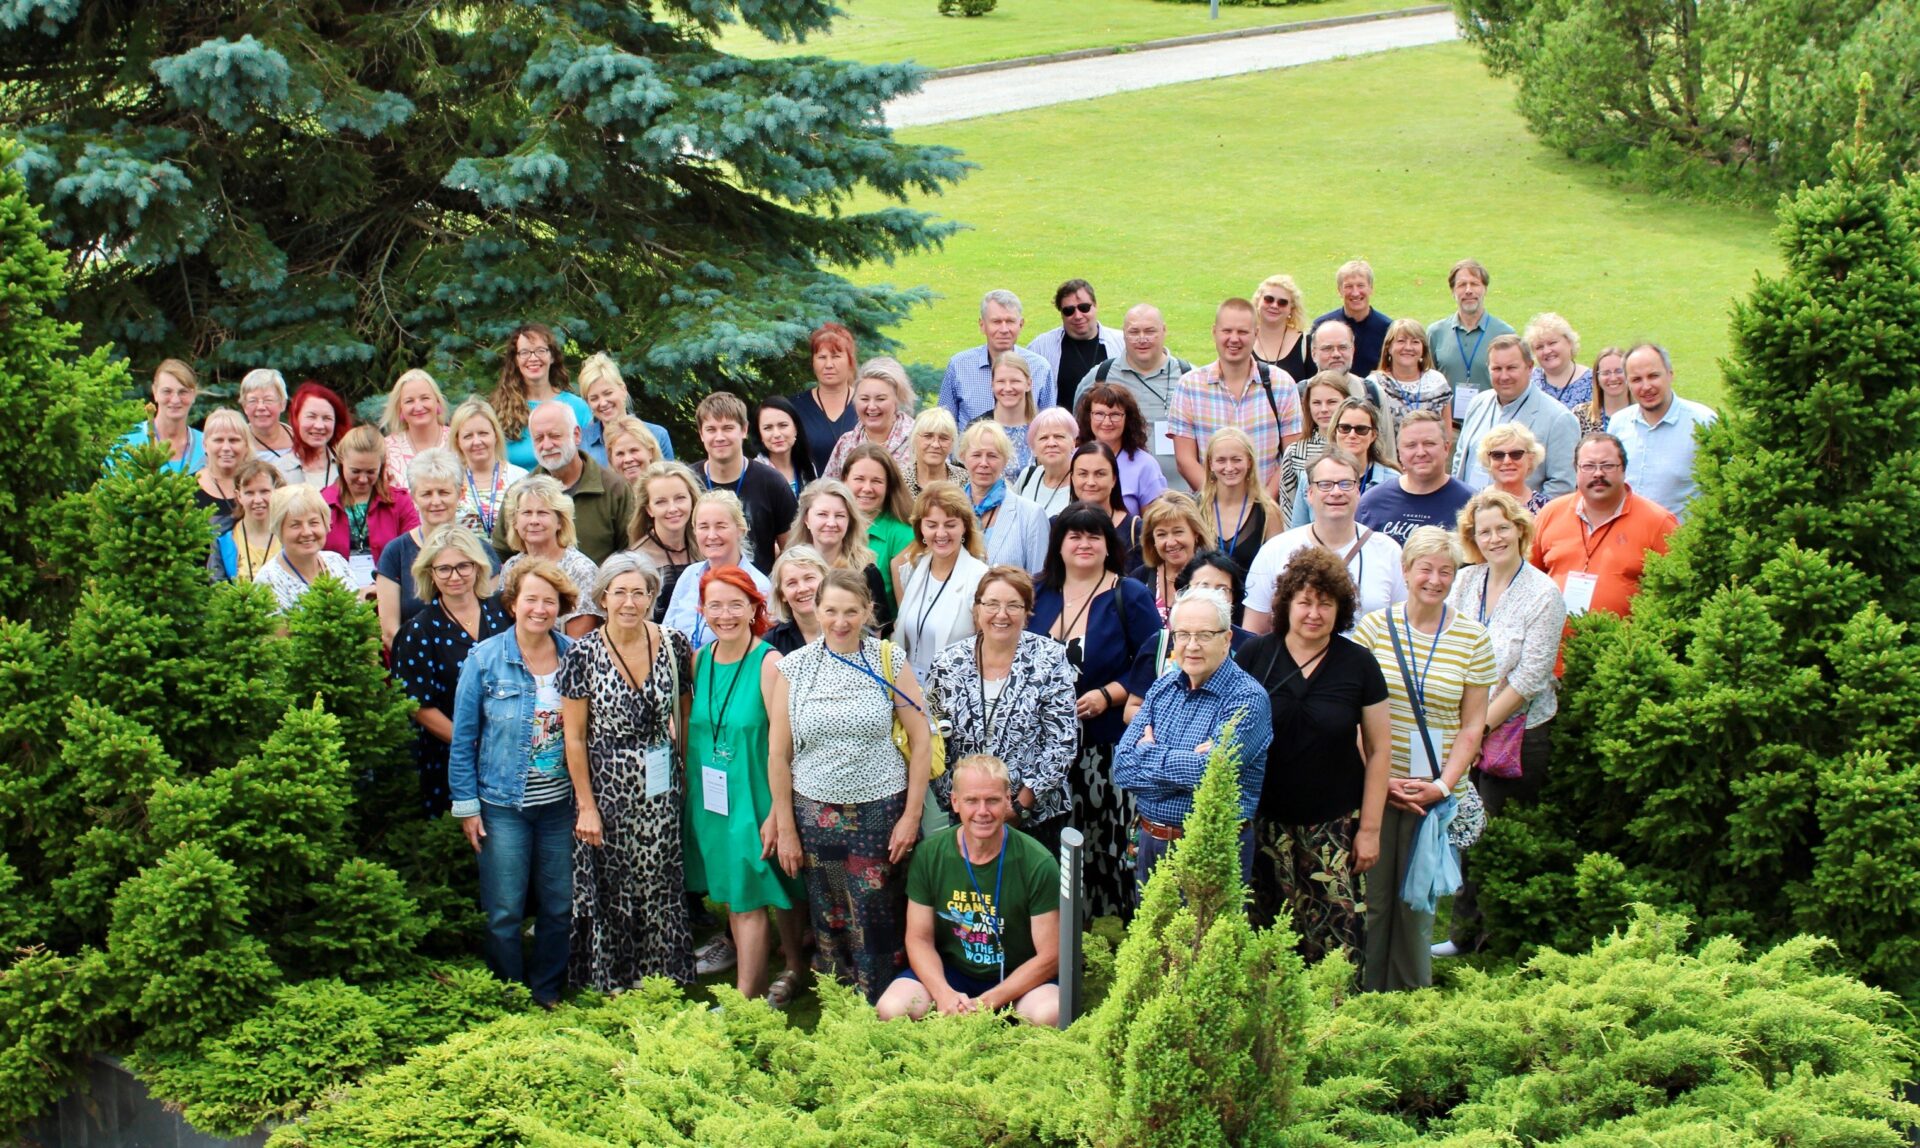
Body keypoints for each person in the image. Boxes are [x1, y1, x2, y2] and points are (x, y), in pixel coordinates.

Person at [767, 569, 931, 1001]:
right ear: (816, 610)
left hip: (880, 811)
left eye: (851, 611)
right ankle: (838, 1007)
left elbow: (921, 737)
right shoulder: (794, 668)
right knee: (829, 914)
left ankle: (885, 1004)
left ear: (867, 612)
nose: (841, 621)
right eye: (831, 611)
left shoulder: (887, 659)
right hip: (815, 813)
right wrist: (785, 827)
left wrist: (911, 817)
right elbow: (778, 755)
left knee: (877, 915)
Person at [1350, 527, 1495, 992]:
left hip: (1433, 787)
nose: (1434, 579)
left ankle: (1411, 995)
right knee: (1372, 894)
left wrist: (1444, 785)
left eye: (1445, 571)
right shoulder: (1373, 629)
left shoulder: (1473, 639)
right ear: (1406, 571)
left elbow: (1473, 723)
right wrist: (1375, 778)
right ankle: (1364, 992)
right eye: (1425, 569)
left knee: (1420, 900)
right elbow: (1352, 713)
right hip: (1378, 781)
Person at [1236, 546, 1389, 966]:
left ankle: (1336, 1026)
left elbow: (1378, 750)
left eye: (1326, 603)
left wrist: (1370, 830)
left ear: (1340, 608)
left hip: (1333, 825)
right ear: (1287, 603)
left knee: (1336, 942)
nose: (1314, 613)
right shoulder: (1255, 656)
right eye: (1305, 601)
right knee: (1264, 939)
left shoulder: (1358, 665)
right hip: (1262, 821)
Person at [1434, 489, 1565, 958]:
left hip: (1516, 732)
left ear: (1520, 530)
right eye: (1483, 531)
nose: (1494, 538)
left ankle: (1494, 937)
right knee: (1467, 827)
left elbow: (1531, 676)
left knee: (1495, 830)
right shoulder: (1467, 582)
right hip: (1466, 725)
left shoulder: (1544, 593)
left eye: (1502, 528)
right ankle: (1463, 932)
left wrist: (1478, 728)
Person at [558, 552, 695, 991]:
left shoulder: (675, 644)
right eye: (620, 592)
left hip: (661, 782)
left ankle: (661, 977)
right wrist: (586, 806)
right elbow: (574, 737)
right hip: (606, 784)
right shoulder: (581, 654)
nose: (630, 602)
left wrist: (684, 774)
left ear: (653, 596)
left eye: (640, 592)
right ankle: (614, 979)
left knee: (659, 879)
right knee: (613, 884)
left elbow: (686, 716)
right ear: (602, 597)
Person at [448, 557, 579, 1007]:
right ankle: (508, 992)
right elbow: (463, 737)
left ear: (560, 606)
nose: (540, 609)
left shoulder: (573, 657)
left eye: (550, 601)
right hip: (502, 806)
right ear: (512, 603)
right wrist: (466, 806)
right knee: (504, 910)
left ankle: (547, 989)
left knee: (560, 905)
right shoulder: (484, 660)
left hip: (560, 805)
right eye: (531, 600)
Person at [1028, 502, 1163, 919]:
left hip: (1104, 748)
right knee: (1053, 845)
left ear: (1109, 545)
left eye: (1094, 536)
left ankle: (1109, 931)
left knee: (1106, 846)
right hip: (1044, 749)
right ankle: (1059, 937)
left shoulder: (1130, 594)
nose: (1084, 544)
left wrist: (1109, 694)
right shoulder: (1037, 592)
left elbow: (1154, 660)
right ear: (1058, 545)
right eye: (1075, 536)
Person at [684, 564, 809, 1005]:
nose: (725, 614)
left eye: (736, 604)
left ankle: (752, 994)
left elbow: (786, 744)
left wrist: (779, 811)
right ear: (702, 610)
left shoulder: (770, 663)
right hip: (714, 796)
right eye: (714, 605)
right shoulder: (700, 661)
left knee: (760, 890)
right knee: (737, 892)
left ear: (754, 606)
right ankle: (771, 976)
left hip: (757, 793)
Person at [874, 754, 1063, 1025]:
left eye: (993, 800)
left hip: (1017, 979)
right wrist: (943, 994)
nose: (982, 811)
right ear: (955, 802)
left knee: (1049, 1012)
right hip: (951, 973)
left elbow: (1049, 956)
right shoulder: (930, 855)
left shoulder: (1038, 862)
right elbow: (919, 939)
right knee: (891, 1008)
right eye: (972, 800)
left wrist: (990, 1000)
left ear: (1008, 800)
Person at [1114, 586, 1273, 886]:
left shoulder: (1248, 699)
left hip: (1211, 850)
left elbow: (1212, 773)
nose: (1192, 645)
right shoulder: (1162, 688)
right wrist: (1187, 764)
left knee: (1207, 934)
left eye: (1204, 635)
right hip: (1150, 844)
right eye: (1183, 634)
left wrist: (1148, 752)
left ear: (1227, 640)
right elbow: (1122, 768)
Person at [926, 570, 1078, 852]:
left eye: (1014, 605)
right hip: (966, 815)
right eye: (992, 604)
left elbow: (1062, 741)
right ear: (977, 608)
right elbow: (934, 738)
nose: (1001, 614)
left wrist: (1020, 805)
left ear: (1027, 611)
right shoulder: (947, 663)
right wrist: (958, 801)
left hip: (1035, 816)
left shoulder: (1050, 658)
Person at [391, 525, 512, 814]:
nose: (454, 576)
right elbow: (417, 705)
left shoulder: (503, 612)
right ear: (430, 573)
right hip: (452, 754)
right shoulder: (418, 630)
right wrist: (472, 743)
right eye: (444, 569)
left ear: (478, 566)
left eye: (462, 566)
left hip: (511, 747)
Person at [1245, 451, 1407, 635]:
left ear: (1358, 491)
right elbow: (1253, 631)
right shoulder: (1275, 550)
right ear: (1310, 493)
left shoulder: (1388, 551)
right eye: (1325, 485)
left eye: (1346, 484)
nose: (1336, 492)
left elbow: (1403, 627)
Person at [1530, 432, 1679, 622]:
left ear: (1624, 470)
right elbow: (1530, 578)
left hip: (1623, 647)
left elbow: (1675, 594)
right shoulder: (1550, 514)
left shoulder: (1659, 522)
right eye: (1589, 466)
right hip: (1554, 646)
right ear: (1576, 470)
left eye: (1607, 465)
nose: (1598, 473)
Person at [1169, 298, 1303, 495]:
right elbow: (1185, 460)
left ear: (1256, 334)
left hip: (1267, 511)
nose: (1234, 339)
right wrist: (1220, 503)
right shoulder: (1189, 386)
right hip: (1210, 512)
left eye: (1242, 332)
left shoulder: (1281, 384)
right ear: (1214, 332)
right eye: (1227, 331)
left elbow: (1292, 456)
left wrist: (1261, 506)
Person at [378, 448, 503, 646]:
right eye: (426, 493)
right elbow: (389, 631)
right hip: (415, 666)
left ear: (460, 493)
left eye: (444, 492)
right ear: (413, 497)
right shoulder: (395, 553)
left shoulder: (482, 552)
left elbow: (494, 621)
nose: (436, 501)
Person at [496, 400, 633, 566]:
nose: (546, 445)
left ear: (576, 435)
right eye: (539, 438)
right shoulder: (519, 493)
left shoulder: (613, 488)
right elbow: (500, 555)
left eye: (554, 436)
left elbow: (630, 555)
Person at [1079, 303, 1194, 494]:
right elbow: (1081, 430)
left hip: (1183, 496)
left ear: (1164, 330)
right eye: (1134, 332)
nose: (1142, 339)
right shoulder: (1100, 376)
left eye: (1150, 331)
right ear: (1123, 333)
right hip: (1123, 497)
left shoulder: (1190, 377)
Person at [1123, 551, 1250, 722]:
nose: (1210, 596)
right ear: (1185, 591)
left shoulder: (1249, 645)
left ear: (1233, 597)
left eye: (1222, 590)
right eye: (1203, 587)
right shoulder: (1160, 642)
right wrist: (1164, 727)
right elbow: (1132, 708)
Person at [1452, 335, 1580, 498]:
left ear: (1530, 367)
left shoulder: (1559, 418)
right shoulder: (1477, 403)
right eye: (1497, 369)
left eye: (1511, 368)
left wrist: (1526, 518)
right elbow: (1460, 460)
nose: (1504, 376)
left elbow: (1561, 485)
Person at [1609, 342, 1717, 520]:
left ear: (1670, 375)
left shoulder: (1703, 422)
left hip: (1680, 542)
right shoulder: (1619, 423)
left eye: (1653, 376)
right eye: (1637, 379)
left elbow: (1723, 487)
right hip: (1626, 540)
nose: (1646, 386)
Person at [893, 481, 989, 679]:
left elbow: (985, 648)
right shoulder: (912, 569)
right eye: (932, 525)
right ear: (920, 528)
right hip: (908, 690)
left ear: (965, 527)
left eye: (950, 524)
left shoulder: (980, 577)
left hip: (954, 693)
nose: (941, 533)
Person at [693, 392, 794, 576]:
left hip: (758, 594)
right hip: (698, 590)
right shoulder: (688, 482)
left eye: (728, 428)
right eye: (711, 429)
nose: (720, 437)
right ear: (701, 434)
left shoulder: (772, 483)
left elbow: (792, 552)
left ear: (744, 430)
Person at [660, 489, 774, 647]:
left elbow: (763, 648)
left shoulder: (758, 585)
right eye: (703, 527)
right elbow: (666, 634)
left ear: (740, 530)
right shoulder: (689, 575)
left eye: (721, 526)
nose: (711, 535)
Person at [497, 475, 605, 638]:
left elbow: (578, 646)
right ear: (515, 522)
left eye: (542, 513)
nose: (534, 521)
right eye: (526, 513)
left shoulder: (580, 570)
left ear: (560, 522)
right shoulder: (512, 567)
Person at [323, 425, 420, 591]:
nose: (362, 479)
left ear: (381, 466)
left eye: (370, 472)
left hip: (392, 591)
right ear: (341, 463)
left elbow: (414, 553)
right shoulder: (323, 503)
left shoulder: (400, 502)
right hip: (336, 595)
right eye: (355, 471)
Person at [940, 290, 1056, 427]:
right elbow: (944, 424)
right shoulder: (959, 365)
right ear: (982, 325)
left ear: (1021, 324)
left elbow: (1049, 425)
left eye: (1010, 321)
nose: (1004, 329)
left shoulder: (1040, 367)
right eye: (996, 322)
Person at [1357, 411, 1476, 545]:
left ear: (1446, 448)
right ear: (1399, 453)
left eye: (1429, 443)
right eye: (1411, 445)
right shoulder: (1371, 503)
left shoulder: (1471, 504)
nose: (1420, 452)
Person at [489, 322, 595, 471]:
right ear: (516, 360)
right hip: (517, 492)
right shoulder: (499, 411)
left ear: (552, 357)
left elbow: (591, 460)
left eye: (540, 350)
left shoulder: (578, 407)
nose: (533, 358)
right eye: (525, 352)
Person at [788, 478, 892, 628]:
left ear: (850, 521)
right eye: (822, 514)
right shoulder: (790, 569)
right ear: (806, 519)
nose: (831, 523)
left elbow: (878, 633)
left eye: (840, 515)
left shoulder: (867, 573)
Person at [1287, 398, 1398, 528]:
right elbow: (1298, 532)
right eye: (1345, 428)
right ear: (1335, 432)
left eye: (1361, 429)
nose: (1352, 435)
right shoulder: (1309, 478)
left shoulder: (1392, 481)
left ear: (1373, 435)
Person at [1427, 259, 1515, 422]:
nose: (1468, 291)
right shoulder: (1436, 333)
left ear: (1485, 289)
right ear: (1453, 291)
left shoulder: (1505, 334)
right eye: (1461, 285)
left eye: (1474, 284)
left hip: (1491, 426)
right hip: (1448, 429)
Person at [960, 421, 1050, 575]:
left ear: (1005, 460)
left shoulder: (1031, 515)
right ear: (963, 457)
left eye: (992, 456)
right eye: (976, 455)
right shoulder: (950, 510)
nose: (984, 463)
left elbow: (1039, 582)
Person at [255, 484, 356, 611]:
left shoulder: (337, 562)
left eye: (314, 523)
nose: (307, 532)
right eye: (295, 525)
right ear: (279, 530)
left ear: (325, 524)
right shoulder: (269, 580)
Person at [1029, 278, 1124, 413]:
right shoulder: (1040, 347)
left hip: (1109, 428)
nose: (1078, 316)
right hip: (1062, 431)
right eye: (1069, 311)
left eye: (1084, 308)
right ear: (1061, 314)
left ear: (1095, 306)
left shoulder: (1122, 343)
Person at [1199, 426, 1284, 575]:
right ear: (1210, 464)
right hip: (1203, 596)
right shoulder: (1196, 508)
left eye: (1236, 460)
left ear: (1249, 461)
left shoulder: (1268, 511)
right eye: (1221, 460)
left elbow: (1277, 569)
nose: (1229, 467)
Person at [1076, 381, 1168, 515]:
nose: (1107, 422)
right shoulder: (1074, 458)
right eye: (1099, 414)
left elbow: (1155, 524)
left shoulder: (1145, 465)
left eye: (1115, 415)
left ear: (1128, 419)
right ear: (1088, 417)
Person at [627, 459, 703, 619]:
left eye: (680, 498)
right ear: (649, 509)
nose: (673, 508)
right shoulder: (637, 560)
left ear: (692, 500)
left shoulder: (707, 545)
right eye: (661, 502)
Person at [843, 443, 917, 602]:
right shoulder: (831, 526)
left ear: (889, 486)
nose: (867, 488)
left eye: (876, 481)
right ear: (844, 480)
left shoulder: (904, 535)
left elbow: (905, 610)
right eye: (859, 479)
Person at [1307, 320, 1397, 448]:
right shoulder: (1300, 394)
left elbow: (1387, 450)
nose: (1336, 354)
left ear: (1353, 350)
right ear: (1313, 353)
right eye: (1327, 348)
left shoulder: (1371, 392)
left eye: (1343, 347)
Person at [825, 357, 918, 481]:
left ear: (897, 400)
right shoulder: (845, 444)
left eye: (880, 399)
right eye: (864, 399)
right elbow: (828, 492)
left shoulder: (919, 440)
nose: (872, 407)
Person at [575, 352, 675, 466]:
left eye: (608, 393)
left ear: (623, 390)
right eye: (594, 398)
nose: (602, 403)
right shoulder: (582, 443)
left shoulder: (657, 435)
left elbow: (668, 481)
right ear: (588, 403)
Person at [450, 397, 529, 541]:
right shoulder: (450, 482)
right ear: (458, 441)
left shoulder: (519, 478)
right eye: (468, 436)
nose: (477, 441)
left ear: (495, 435)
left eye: (483, 433)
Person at [788, 322, 861, 475]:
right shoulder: (794, 407)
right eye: (822, 357)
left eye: (836, 356)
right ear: (813, 362)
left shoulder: (866, 405)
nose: (828, 364)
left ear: (850, 361)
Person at [1280, 374, 1351, 527]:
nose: (1324, 409)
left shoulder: (1355, 445)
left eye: (1332, 402)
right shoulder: (1295, 453)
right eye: (1317, 403)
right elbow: (1288, 506)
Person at [1131, 492, 1215, 622]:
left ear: (1196, 533)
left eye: (1178, 532)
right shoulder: (1140, 578)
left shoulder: (1213, 576)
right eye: (1161, 534)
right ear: (1152, 539)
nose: (1170, 542)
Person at [117, 358, 204, 474]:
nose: (175, 400)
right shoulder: (127, 442)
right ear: (155, 392)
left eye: (183, 392)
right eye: (167, 391)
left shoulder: (208, 445)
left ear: (193, 395)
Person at [1314, 259, 1392, 385]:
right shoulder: (1322, 327)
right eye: (1348, 286)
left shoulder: (1387, 328)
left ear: (1371, 288)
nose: (1355, 293)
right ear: (1339, 290)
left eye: (1361, 286)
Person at [1369, 318, 1454, 430]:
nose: (1408, 347)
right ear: (1388, 347)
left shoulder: (1437, 381)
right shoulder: (1374, 384)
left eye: (1415, 342)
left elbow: (1446, 432)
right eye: (1401, 341)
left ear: (1423, 349)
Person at [1069, 442, 1142, 568]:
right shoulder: (1056, 525)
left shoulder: (1135, 529)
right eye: (1083, 474)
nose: (1091, 482)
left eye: (1100, 474)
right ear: (1072, 478)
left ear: (1114, 479)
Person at [211, 460, 284, 583]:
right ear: (238, 496)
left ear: (276, 491)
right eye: (249, 493)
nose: (258, 500)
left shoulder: (291, 533)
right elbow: (217, 586)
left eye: (264, 491)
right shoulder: (222, 538)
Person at [379, 368, 450, 492]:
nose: (418, 407)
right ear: (400, 409)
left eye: (425, 398)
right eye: (409, 401)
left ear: (437, 402)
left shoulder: (459, 439)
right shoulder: (386, 449)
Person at [239, 368, 303, 484]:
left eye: (268, 400)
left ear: (282, 404)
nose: (261, 407)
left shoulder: (300, 440)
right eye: (253, 401)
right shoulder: (237, 443)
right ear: (244, 406)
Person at [1249, 273, 1315, 385]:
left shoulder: (1306, 343)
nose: (1274, 305)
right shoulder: (1243, 339)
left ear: (1291, 308)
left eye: (1282, 302)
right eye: (1269, 299)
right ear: (1258, 301)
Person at [764, 544, 830, 654]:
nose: (802, 589)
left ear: (826, 581)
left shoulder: (852, 631)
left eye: (809, 578)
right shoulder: (770, 644)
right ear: (782, 594)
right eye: (792, 583)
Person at [1012, 407, 1077, 517]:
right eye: (1043, 438)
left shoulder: (1081, 483)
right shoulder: (1027, 476)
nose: (1051, 443)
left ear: (1073, 443)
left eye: (1059, 436)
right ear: (1033, 447)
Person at [287, 381, 351, 489]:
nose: (319, 426)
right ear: (296, 419)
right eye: (311, 416)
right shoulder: (278, 470)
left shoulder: (348, 466)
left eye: (327, 418)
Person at [1477, 421, 1552, 514]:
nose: (1507, 461)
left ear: (1530, 459)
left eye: (1516, 454)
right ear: (1488, 460)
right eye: (1498, 455)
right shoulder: (1474, 504)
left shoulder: (1545, 510)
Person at [983, 351, 1039, 475]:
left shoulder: (1042, 428)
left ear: (1028, 384)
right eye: (1001, 381)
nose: (1008, 388)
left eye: (1015, 381)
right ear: (992, 385)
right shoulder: (978, 427)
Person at [1524, 313, 1593, 410]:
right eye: (1539, 347)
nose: (1547, 351)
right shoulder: (1528, 380)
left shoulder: (1593, 382)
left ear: (1569, 342)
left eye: (1552, 343)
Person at [756, 394, 820, 497]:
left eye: (783, 425)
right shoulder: (754, 473)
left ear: (795, 428)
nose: (776, 434)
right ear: (760, 434)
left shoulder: (807, 467)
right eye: (768, 428)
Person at [194, 409, 251, 524]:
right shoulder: (188, 487)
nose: (226, 448)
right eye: (218, 440)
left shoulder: (261, 484)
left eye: (234, 440)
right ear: (205, 445)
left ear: (246, 445)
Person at [905, 406, 969, 502]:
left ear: (952, 443)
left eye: (944, 438)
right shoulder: (898, 481)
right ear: (914, 439)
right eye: (928, 436)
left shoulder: (966, 482)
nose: (935, 444)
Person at [1576, 346, 1633, 436]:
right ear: (1597, 378)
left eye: (1619, 371)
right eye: (1605, 373)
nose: (1613, 378)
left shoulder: (1642, 414)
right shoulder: (1581, 415)